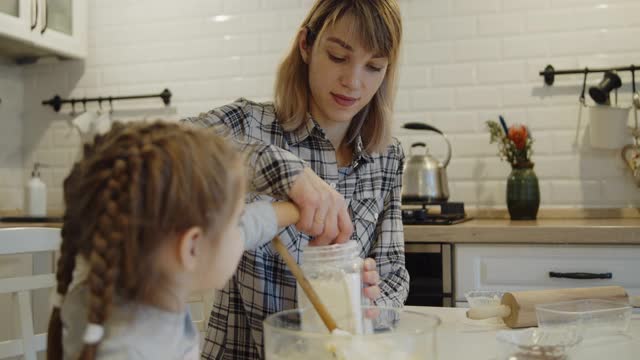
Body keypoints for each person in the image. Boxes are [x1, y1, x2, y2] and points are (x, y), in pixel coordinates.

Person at [182, 0, 408, 358]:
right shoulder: (249, 124)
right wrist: (282, 171)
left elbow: (394, 271)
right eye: (337, 56)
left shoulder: (387, 157)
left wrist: (370, 300)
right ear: (306, 45)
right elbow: (163, 147)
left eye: (374, 66)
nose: (353, 81)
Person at [46, 121, 299, 360]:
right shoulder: (129, 351)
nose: (240, 231)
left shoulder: (126, 293)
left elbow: (249, 227)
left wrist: (295, 211)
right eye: (235, 221)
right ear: (191, 247)